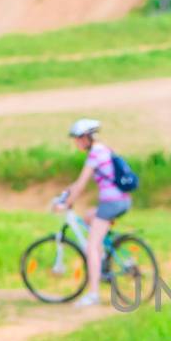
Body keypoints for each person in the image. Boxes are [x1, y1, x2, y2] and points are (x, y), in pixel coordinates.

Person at [57, 117, 132, 307]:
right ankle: (111, 251)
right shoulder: (104, 149)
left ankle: (93, 294)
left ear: (87, 138)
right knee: (89, 217)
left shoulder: (94, 155)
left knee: (91, 246)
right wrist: (67, 193)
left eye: (78, 138)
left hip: (111, 203)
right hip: (122, 200)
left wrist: (67, 203)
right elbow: (77, 185)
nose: (76, 142)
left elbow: (82, 184)